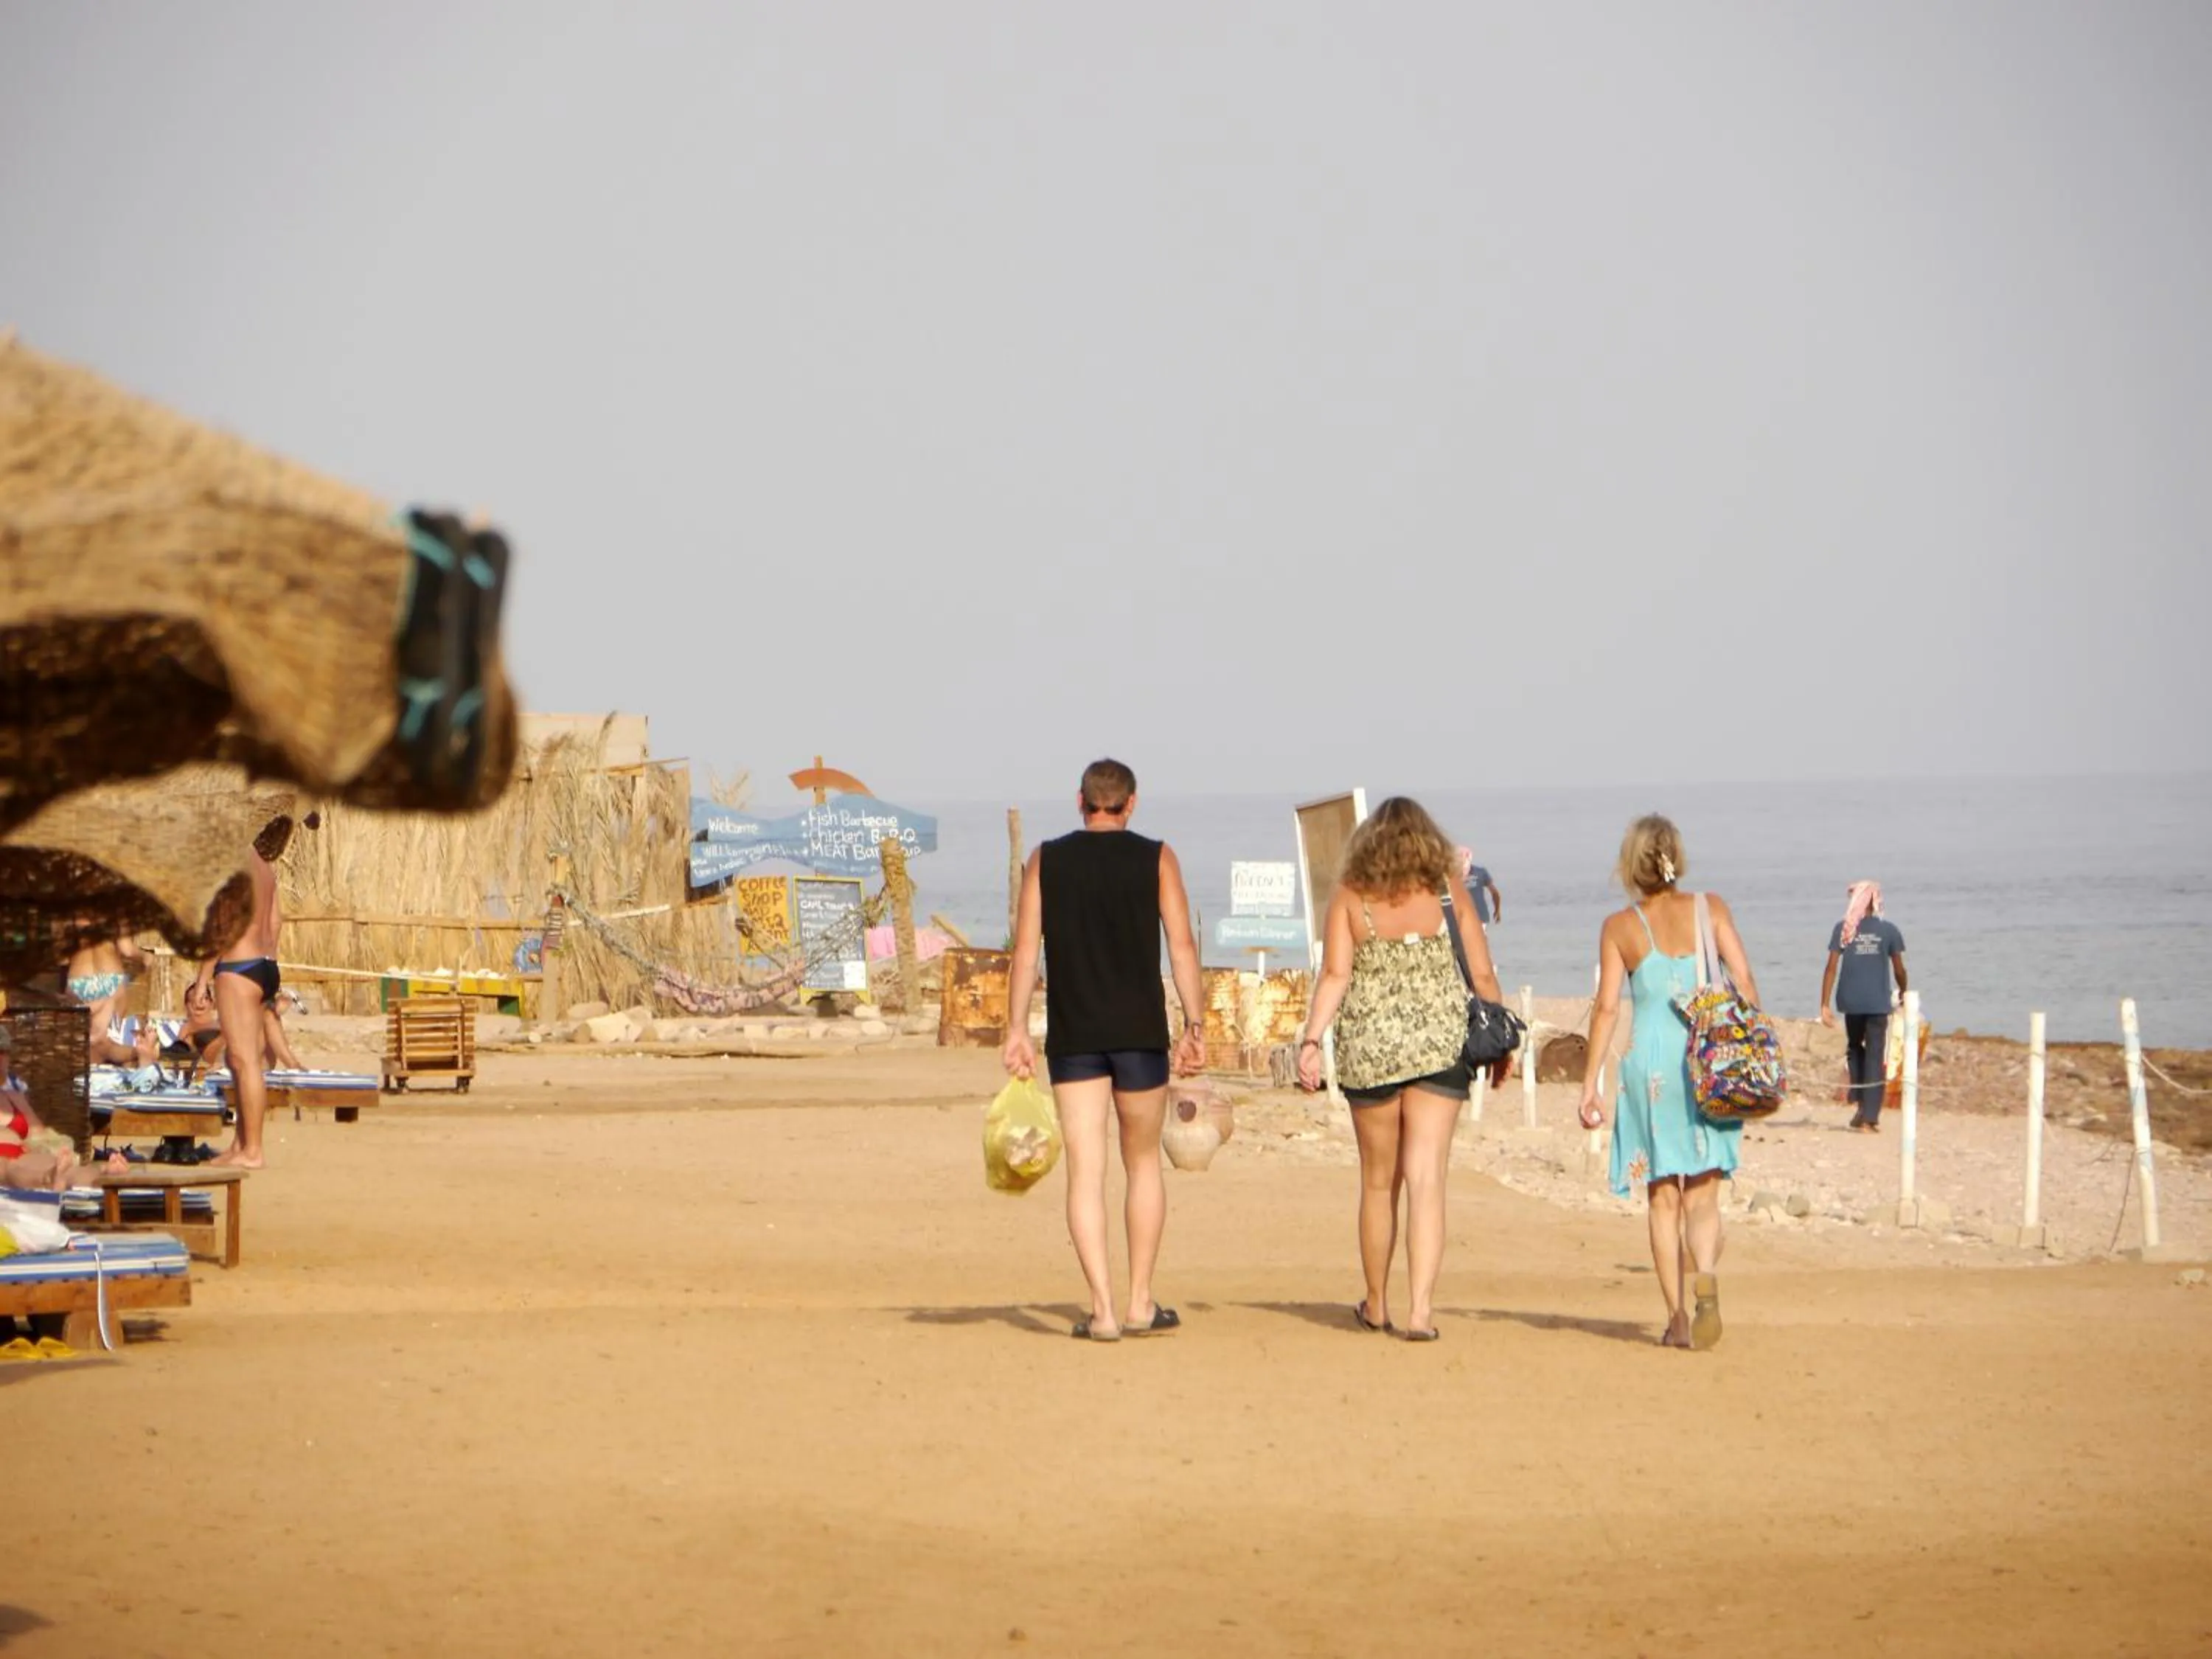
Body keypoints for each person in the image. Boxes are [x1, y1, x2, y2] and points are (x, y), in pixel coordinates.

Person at [1004, 759, 1206, 1343]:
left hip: (1076, 1037)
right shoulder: (1157, 858)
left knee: (1086, 1173)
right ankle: (1141, 1300)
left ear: (1081, 802)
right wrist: (1195, 1023)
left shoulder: (1047, 859)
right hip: (1140, 1033)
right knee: (1141, 1164)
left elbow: (1025, 952)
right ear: (1131, 804)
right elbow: (1183, 944)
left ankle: (1104, 1311)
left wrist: (1016, 1028)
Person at [1296, 799, 1507, 1343]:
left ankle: (1376, 1304)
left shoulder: (1350, 896)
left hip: (1371, 1049)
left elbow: (1336, 975)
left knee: (1376, 1183)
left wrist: (1312, 1039)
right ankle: (1420, 1314)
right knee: (1427, 1180)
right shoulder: (1447, 892)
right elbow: (1481, 972)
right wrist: (1502, 1042)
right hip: (1439, 1047)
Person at [1576, 814, 1766, 1351]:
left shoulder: (1620, 927)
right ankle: (1705, 1275)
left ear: (1630, 866)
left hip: (1651, 1067)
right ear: (1676, 859)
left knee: (1664, 1198)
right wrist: (1755, 1045)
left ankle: (1678, 1320)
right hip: (1709, 1061)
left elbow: (1608, 1007)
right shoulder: (1713, 909)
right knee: (1704, 1195)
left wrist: (1590, 1081)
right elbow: (1746, 982)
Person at [195, 829, 290, 1168]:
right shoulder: (265, 867)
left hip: (238, 965)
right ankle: (240, 1144)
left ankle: (253, 1151)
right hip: (265, 964)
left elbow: (223, 926)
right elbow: (276, 921)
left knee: (246, 1061)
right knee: (239, 1061)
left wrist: (203, 979)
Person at [1818, 880, 1908, 1133]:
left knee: (1855, 1048)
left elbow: (1831, 967)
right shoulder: (1888, 930)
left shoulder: (1844, 929)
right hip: (1877, 1003)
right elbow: (1899, 969)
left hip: (1851, 1001)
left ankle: (1860, 1105)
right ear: (1876, 901)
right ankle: (1870, 1116)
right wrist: (1903, 991)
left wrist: (1824, 1003)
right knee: (1875, 1055)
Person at [0, 1026, 81, 1193]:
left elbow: (40, 1134)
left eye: (3, 1052)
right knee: (8, 1168)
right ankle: (47, 1180)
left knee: (49, 1161)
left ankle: (103, 1178)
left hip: (21, 1153)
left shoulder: (13, 1096)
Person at [65, 934, 159, 1068]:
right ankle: (136, 1053)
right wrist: (146, 956)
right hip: (110, 977)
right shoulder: (114, 914)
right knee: (106, 1041)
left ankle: (90, 1079)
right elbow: (127, 950)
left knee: (85, 1042)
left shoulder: (68, 915)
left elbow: (60, 955)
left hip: (79, 978)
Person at [1455, 846, 1503, 927]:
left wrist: (1497, 910)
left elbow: (1495, 893)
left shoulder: (1480, 872)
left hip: (1479, 917)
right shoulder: (1450, 875)